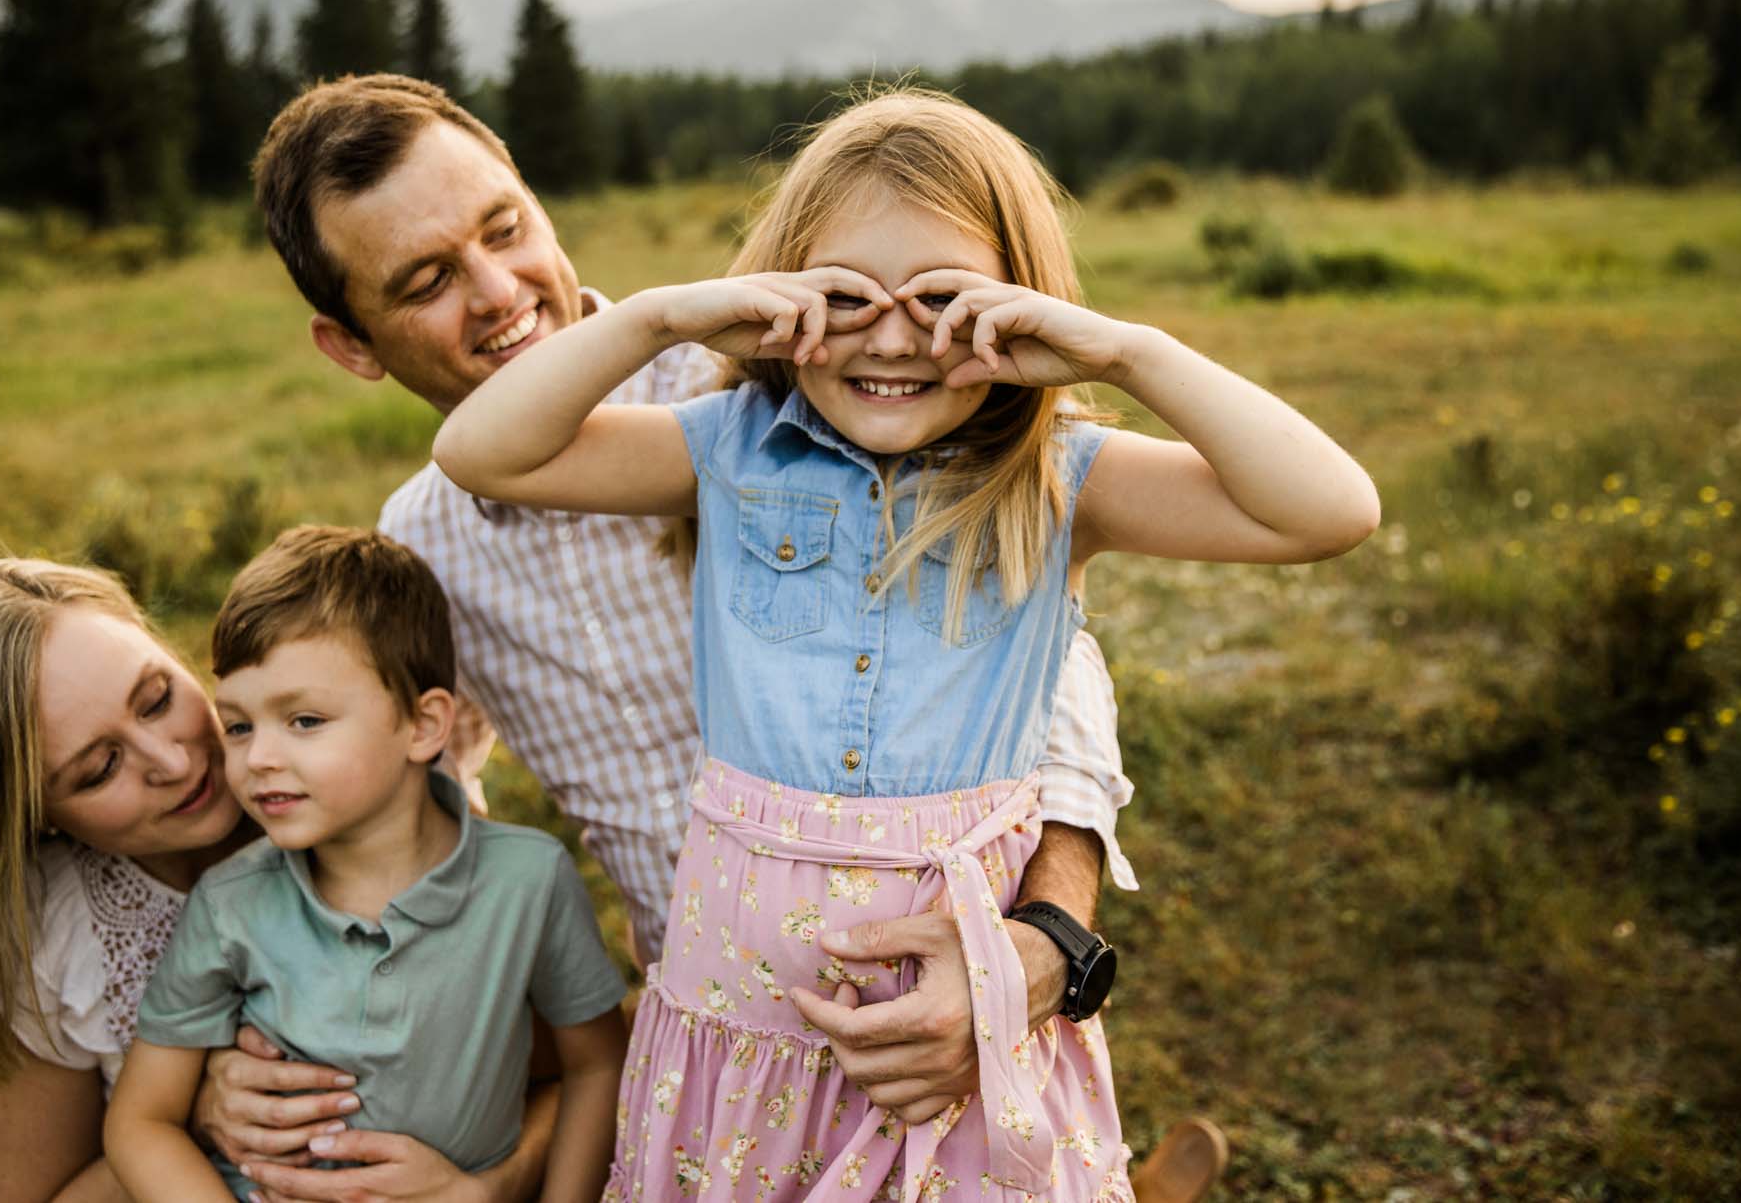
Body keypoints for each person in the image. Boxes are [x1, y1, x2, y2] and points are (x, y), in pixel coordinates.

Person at [244, 79, 1232, 1203]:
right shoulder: (423, 542)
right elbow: (409, 805)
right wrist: (269, 1031)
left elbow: (1045, 651)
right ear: (350, 344)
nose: (497, 291)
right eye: (424, 282)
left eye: (504, 227)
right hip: (713, 1032)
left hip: (939, 954)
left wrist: (1044, 938)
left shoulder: (772, 387)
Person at [432, 89, 1379, 1197]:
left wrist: (1119, 352)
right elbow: (481, 450)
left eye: (939, 300)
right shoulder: (725, 451)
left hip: (965, 1026)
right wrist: (660, 319)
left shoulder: (1059, 479)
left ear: (1012, 304)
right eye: (843, 297)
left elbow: (1329, 510)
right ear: (780, 298)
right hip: (746, 1024)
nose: (889, 338)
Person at [0, 559, 559, 1203]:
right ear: (32, 820)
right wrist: (180, 1116)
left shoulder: (373, 811)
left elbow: (576, 1071)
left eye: (156, 698)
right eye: (99, 769)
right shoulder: (57, 937)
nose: (173, 761)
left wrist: (494, 1188)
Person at [104, 526, 628, 1202]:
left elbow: (596, 1064)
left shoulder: (529, 880)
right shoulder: (230, 902)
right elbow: (142, 1121)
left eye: (304, 720)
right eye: (238, 724)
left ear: (422, 725)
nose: (258, 755)